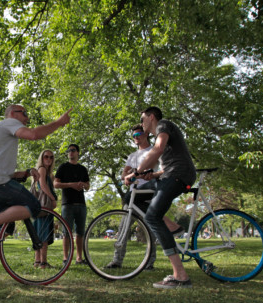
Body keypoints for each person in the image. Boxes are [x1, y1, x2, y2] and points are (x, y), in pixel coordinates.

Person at [0, 104, 72, 281]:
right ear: (11, 114)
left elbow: (1, 169)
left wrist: (23, 173)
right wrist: (59, 122)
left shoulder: (2, 133)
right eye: (24, 113)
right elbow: (34, 134)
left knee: (6, 227)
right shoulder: (7, 123)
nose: (26, 117)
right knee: (33, 205)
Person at [124, 106, 196, 289]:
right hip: (169, 175)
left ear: (151, 116)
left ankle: (180, 275)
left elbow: (157, 150)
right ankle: (173, 228)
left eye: (143, 119)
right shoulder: (160, 135)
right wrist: (149, 175)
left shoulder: (163, 126)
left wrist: (135, 172)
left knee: (151, 217)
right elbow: (165, 167)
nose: (141, 124)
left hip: (178, 176)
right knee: (134, 195)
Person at [106, 125, 185, 271]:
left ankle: (149, 263)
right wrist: (130, 175)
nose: (136, 137)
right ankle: (117, 260)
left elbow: (164, 171)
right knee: (123, 229)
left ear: (146, 134)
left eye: (139, 134)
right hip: (133, 197)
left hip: (149, 193)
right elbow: (124, 175)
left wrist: (150, 175)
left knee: (151, 230)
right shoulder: (132, 156)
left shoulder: (154, 151)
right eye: (134, 135)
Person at [54, 144, 90, 265]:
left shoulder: (83, 169)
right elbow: (55, 184)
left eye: (73, 150)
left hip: (81, 204)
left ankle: (79, 259)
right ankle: (66, 258)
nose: (70, 152)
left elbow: (88, 186)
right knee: (66, 233)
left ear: (78, 153)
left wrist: (83, 185)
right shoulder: (63, 167)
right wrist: (71, 184)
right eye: (69, 150)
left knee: (80, 233)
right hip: (67, 204)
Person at [32, 149, 58, 269]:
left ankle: (37, 261)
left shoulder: (49, 174)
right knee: (44, 235)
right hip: (45, 206)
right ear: (41, 158)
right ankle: (43, 262)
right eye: (46, 157)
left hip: (39, 206)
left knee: (38, 234)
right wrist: (53, 199)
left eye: (51, 157)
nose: (48, 159)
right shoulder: (41, 169)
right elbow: (42, 185)